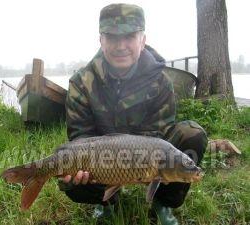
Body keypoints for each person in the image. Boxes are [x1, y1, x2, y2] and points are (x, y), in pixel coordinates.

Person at [59, 3, 207, 225]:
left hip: (148, 155)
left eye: (129, 37)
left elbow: (160, 135)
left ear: (142, 40)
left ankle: (162, 204)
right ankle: (106, 204)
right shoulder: (81, 82)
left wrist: (144, 167)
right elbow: (81, 136)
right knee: (70, 173)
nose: (121, 46)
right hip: (102, 158)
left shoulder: (160, 82)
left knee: (191, 134)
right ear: (101, 40)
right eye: (111, 37)